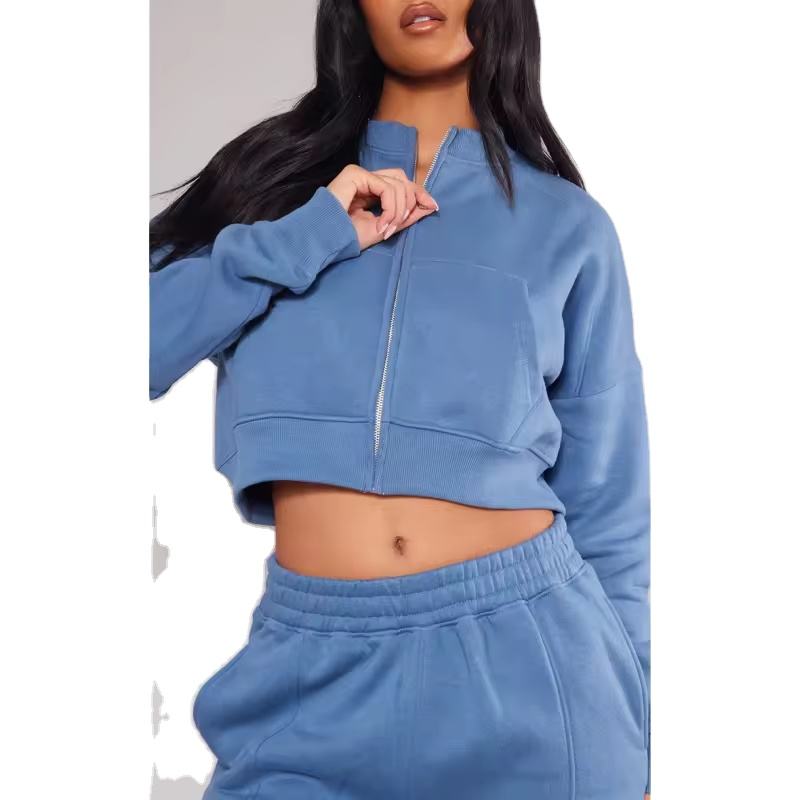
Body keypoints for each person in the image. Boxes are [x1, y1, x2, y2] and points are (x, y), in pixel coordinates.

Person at [149, 1, 651, 797]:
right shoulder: (272, 196)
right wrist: (310, 236)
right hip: (312, 674)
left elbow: (611, 507)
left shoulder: (569, 227)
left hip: (529, 665)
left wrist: (642, 734)